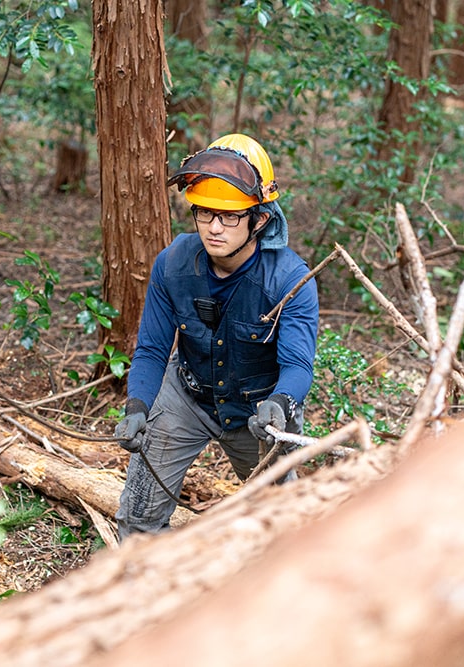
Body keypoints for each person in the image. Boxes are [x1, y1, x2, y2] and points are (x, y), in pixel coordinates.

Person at [114, 133, 320, 539]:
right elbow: (152, 349)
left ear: (260, 219)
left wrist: (280, 402)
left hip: (259, 410)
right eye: (205, 213)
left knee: (282, 526)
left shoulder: (290, 280)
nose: (214, 228)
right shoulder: (172, 263)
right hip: (187, 395)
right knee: (138, 516)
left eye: (229, 217)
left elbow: (298, 365)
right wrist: (137, 405)